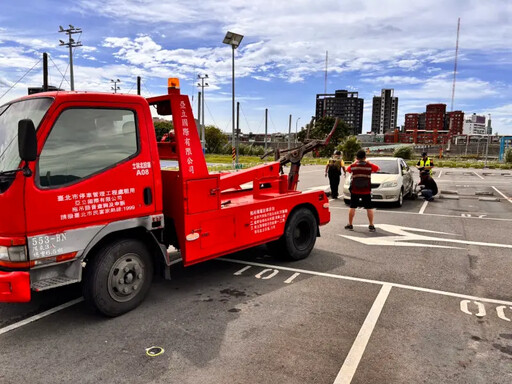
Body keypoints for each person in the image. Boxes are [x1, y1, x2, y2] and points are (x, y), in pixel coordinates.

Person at [345, 149, 380, 232]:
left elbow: (347, 170)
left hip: (355, 190)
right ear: (365, 157)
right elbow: (378, 169)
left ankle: (350, 224)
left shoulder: (353, 166)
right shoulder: (369, 166)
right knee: (369, 208)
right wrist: (368, 162)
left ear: (357, 157)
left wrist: (355, 162)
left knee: (352, 207)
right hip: (366, 190)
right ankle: (371, 225)